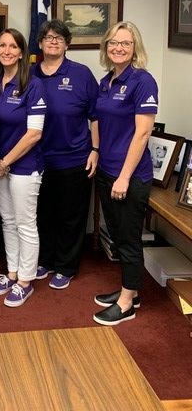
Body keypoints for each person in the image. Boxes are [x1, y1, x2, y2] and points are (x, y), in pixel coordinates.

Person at [93, 21, 158, 325]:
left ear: (135, 49)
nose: (119, 48)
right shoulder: (106, 82)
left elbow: (142, 134)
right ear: (106, 48)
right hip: (107, 171)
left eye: (126, 43)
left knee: (129, 239)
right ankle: (129, 289)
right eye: (113, 43)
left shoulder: (143, 81)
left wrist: (124, 176)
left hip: (129, 176)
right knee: (118, 237)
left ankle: (126, 303)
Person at [33, 20, 99, 290]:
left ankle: (66, 267)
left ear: (67, 43)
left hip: (74, 158)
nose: (53, 41)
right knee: (42, 214)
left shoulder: (82, 74)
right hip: (37, 160)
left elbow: (95, 117)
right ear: (40, 44)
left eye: (59, 38)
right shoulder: (29, 74)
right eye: (48, 37)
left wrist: (96, 150)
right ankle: (46, 261)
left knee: (71, 216)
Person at [0, 29, 47, 308]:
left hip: (23, 167)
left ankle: (26, 281)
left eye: (13, 46)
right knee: (7, 221)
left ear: (22, 52)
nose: (7, 50)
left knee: (25, 224)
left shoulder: (32, 85)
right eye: (2, 45)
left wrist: (5, 162)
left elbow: (34, 134)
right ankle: (11, 273)